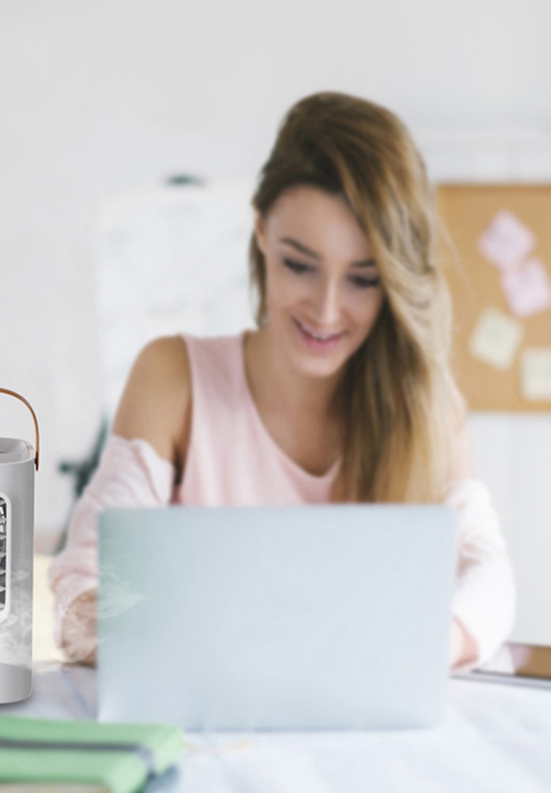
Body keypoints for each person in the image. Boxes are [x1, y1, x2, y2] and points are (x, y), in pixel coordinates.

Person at [48, 91, 516, 670]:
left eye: (363, 280)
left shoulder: (424, 402)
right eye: (300, 265)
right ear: (262, 231)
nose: (325, 311)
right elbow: (81, 582)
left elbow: (487, 572)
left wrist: (427, 646)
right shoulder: (175, 379)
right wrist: (174, 641)